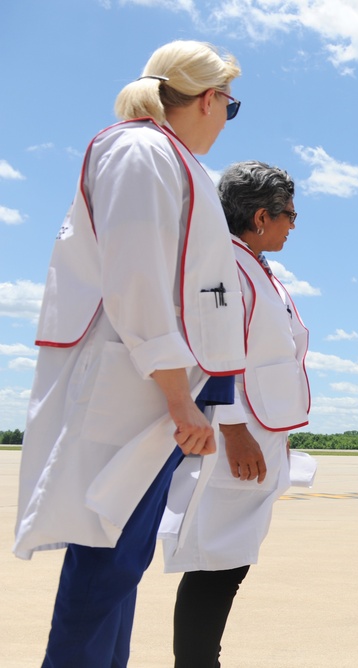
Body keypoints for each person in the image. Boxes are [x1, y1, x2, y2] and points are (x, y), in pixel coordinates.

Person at [13, 40, 245, 666]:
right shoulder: (140, 150)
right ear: (208, 98)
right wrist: (178, 398)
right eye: (230, 103)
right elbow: (137, 281)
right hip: (135, 383)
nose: (227, 118)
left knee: (121, 559)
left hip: (150, 380)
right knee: (106, 556)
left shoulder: (164, 155)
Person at [162, 161, 312, 666]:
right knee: (216, 562)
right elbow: (213, 352)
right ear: (262, 216)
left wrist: (277, 426)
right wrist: (234, 427)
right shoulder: (224, 265)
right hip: (236, 435)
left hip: (256, 429)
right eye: (290, 214)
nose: (294, 224)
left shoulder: (252, 262)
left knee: (230, 560)